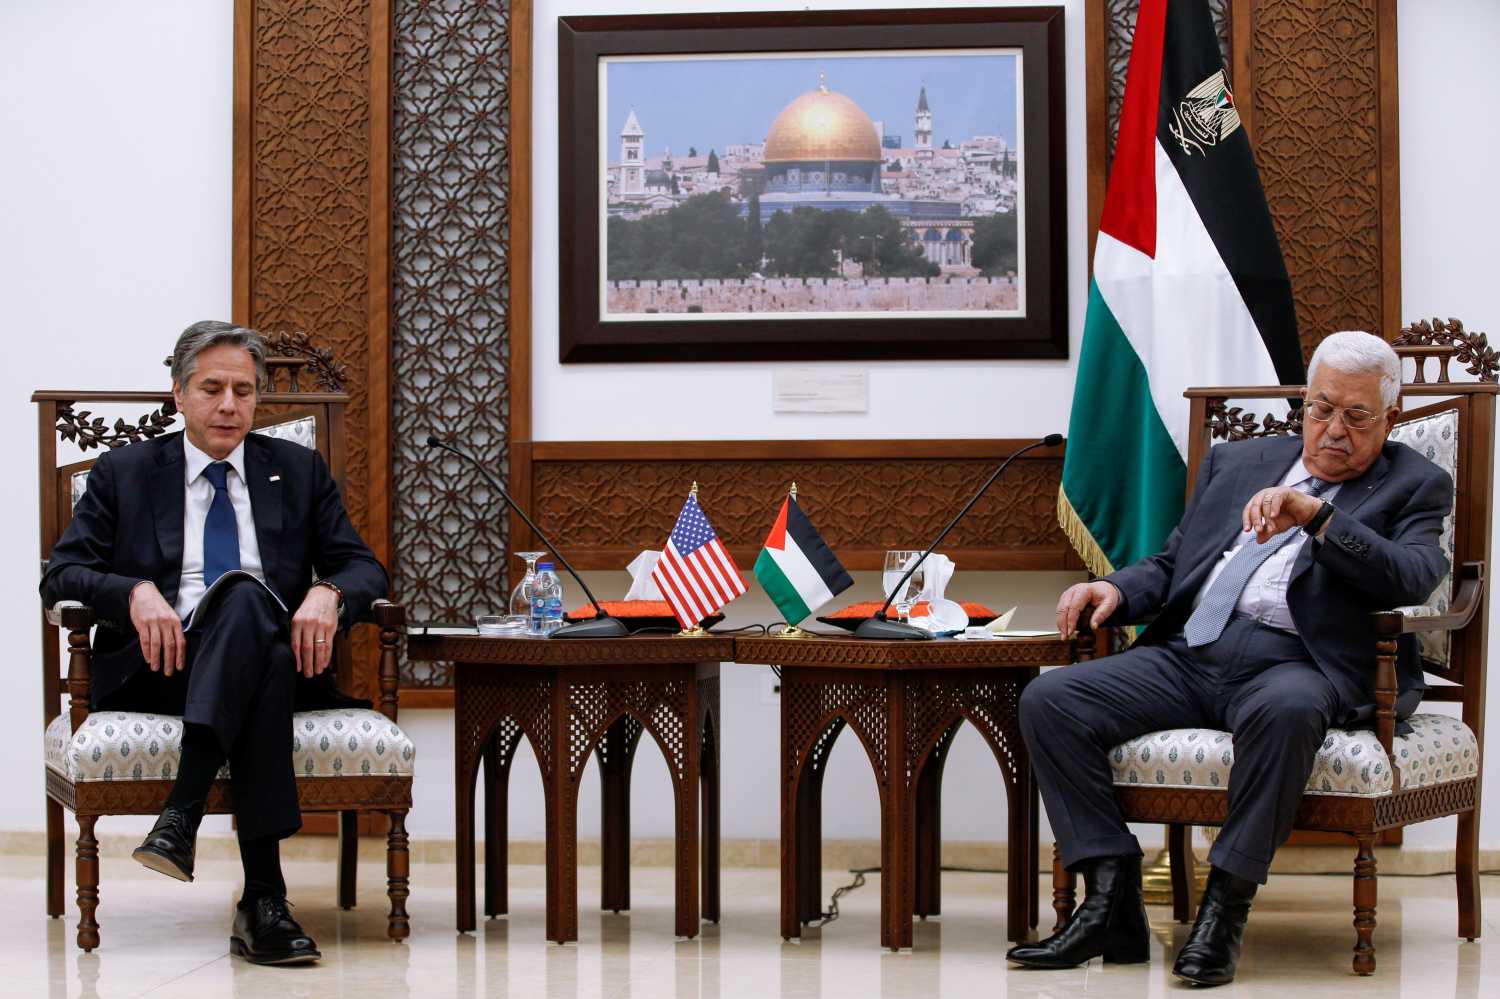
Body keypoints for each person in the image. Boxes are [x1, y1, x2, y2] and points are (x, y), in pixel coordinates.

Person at [1008, 331, 1450, 986]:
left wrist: (1318, 517)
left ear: (1391, 415)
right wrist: (1116, 589)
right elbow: (1174, 564)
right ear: (1304, 400)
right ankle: (1110, 899)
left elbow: (1412, 575)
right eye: (1322, 408)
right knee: (1052, 699)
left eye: (1357, 416)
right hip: (1195, 650)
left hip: (1299, 661)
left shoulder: (1415, 483)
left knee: (1289, 709)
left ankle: (1224, 909)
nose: (1334, 430)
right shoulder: (1238, 461)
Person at [41, 321, 388, 966]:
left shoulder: (296, 470)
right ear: (178, 394)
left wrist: (329, 592)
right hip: (160, 669)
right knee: (255, 626)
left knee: (249, 607)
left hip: (269, 664)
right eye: (211, 389)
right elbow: (60, 576)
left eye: (243, 391)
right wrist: (132, 592)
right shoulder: (126, 472)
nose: (229, 405)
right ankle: (264, 901)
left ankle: (183, 816)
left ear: (257, 399)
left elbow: (365, 569)